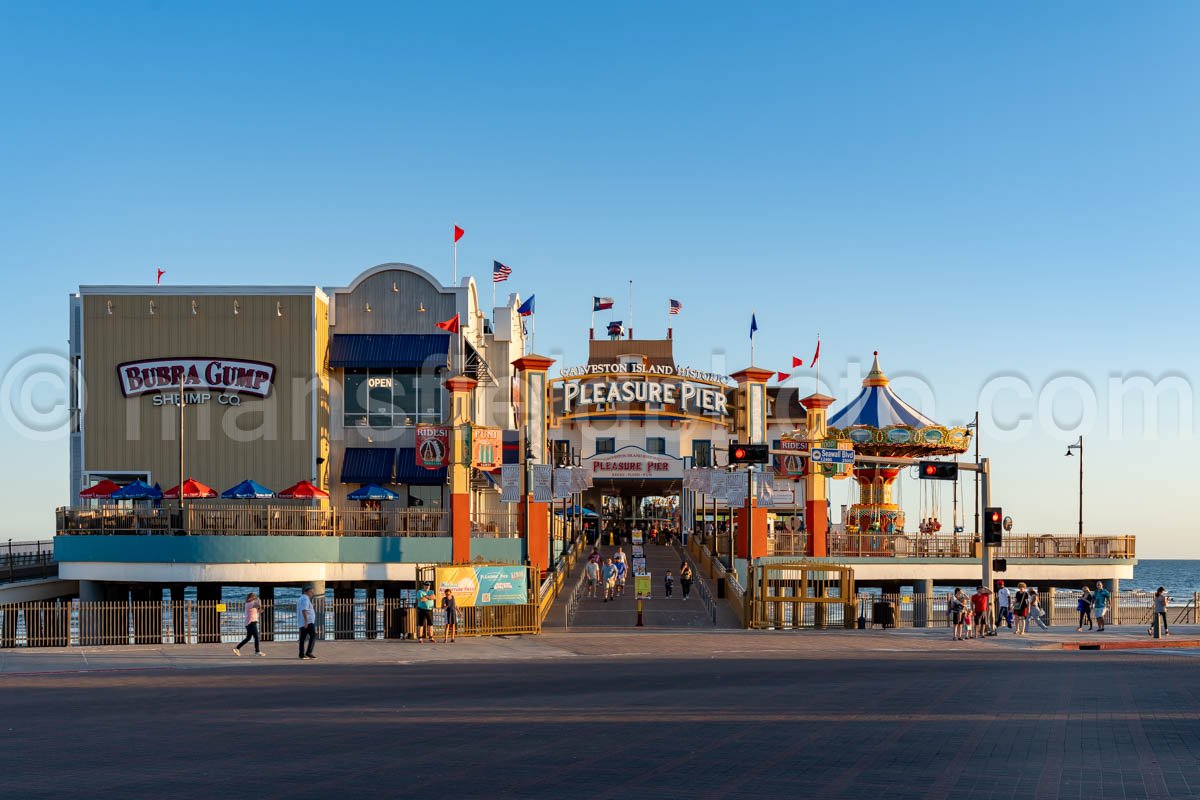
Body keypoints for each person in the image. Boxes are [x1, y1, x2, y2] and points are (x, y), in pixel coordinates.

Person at [235, 592, 264, 657]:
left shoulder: (249, 604)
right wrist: (258, 599)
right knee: (256, 637)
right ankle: (257, 651)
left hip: (249, 623)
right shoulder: (251, 603)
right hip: (251, 622)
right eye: (254, 597)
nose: (254, 598)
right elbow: (258, 603)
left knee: (248, 638)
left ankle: (237, 648)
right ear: (251, 597)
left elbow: (259, 610)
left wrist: (260, 609)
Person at [297, 584, 317, 660]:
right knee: (313, 636)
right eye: (312, 592)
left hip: (303, 622)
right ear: (308, 592)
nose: (312, 594)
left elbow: (304, 609)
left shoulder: (301, 598)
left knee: (302, 638)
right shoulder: (305, 599)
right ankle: (309, 652)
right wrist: (306, 622)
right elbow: (304, 610)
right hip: (308, 622)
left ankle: (301, 654)